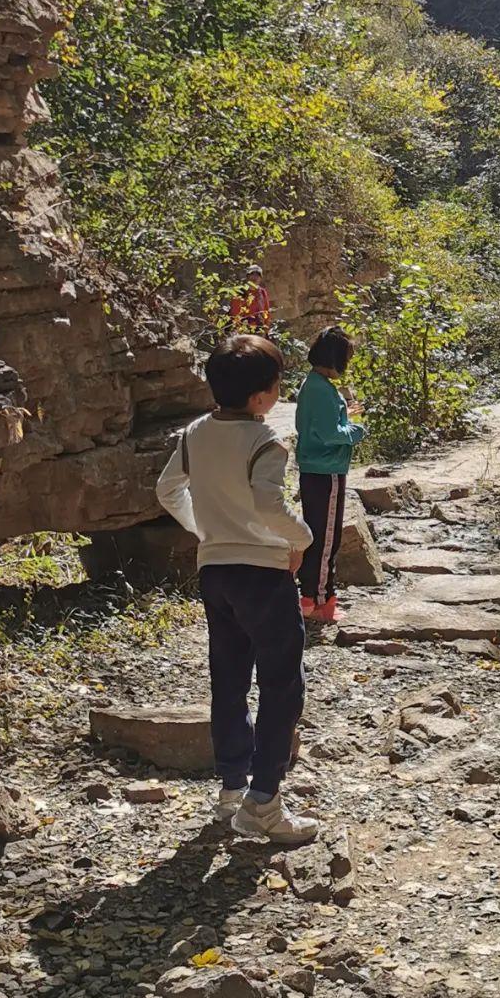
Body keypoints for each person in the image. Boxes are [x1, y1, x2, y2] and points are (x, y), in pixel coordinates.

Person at [156, 332, 317, 844]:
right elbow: (269, 505)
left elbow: (167, 490)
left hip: (216, 572)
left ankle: (231, 790)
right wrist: (302, 537)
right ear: (261, 397)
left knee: (228, 677)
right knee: (281, 684)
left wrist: (204, 530)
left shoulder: (194, 433)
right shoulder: (266, 440)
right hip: (263, 575)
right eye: (275, 386)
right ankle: (264, 800)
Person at [294, 325, 366, 624]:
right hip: (327, 471)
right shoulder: (322, 389)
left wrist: (345, 414)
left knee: (316, 534)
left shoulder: (313, 384)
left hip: (315, 469)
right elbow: (328, 433)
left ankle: (310, 598)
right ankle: (321, 602)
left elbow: (319, 423)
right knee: (327, 540)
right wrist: (356, 430)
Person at [229, 264, 271, 333]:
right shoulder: (240, 291)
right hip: (243, 328)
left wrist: (266, 329)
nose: (255, 277)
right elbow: (234, 312)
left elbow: (266, 311)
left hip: (259, 328)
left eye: (257, 275)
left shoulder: (262, 292)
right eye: (252, 274)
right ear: (247, 276)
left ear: (260, 278)